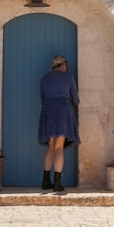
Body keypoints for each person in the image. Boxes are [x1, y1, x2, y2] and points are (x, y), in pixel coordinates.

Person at [38, 54, 79, 194]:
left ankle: (45, 181)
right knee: (59, 147)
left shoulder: (44, 79)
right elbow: (76, 99)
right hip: (63, 110)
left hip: (48, 110)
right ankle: (57, 183)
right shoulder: (68, 78)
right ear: (63, 65)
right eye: (66, 66)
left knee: (50, 146)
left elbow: (42, 99)